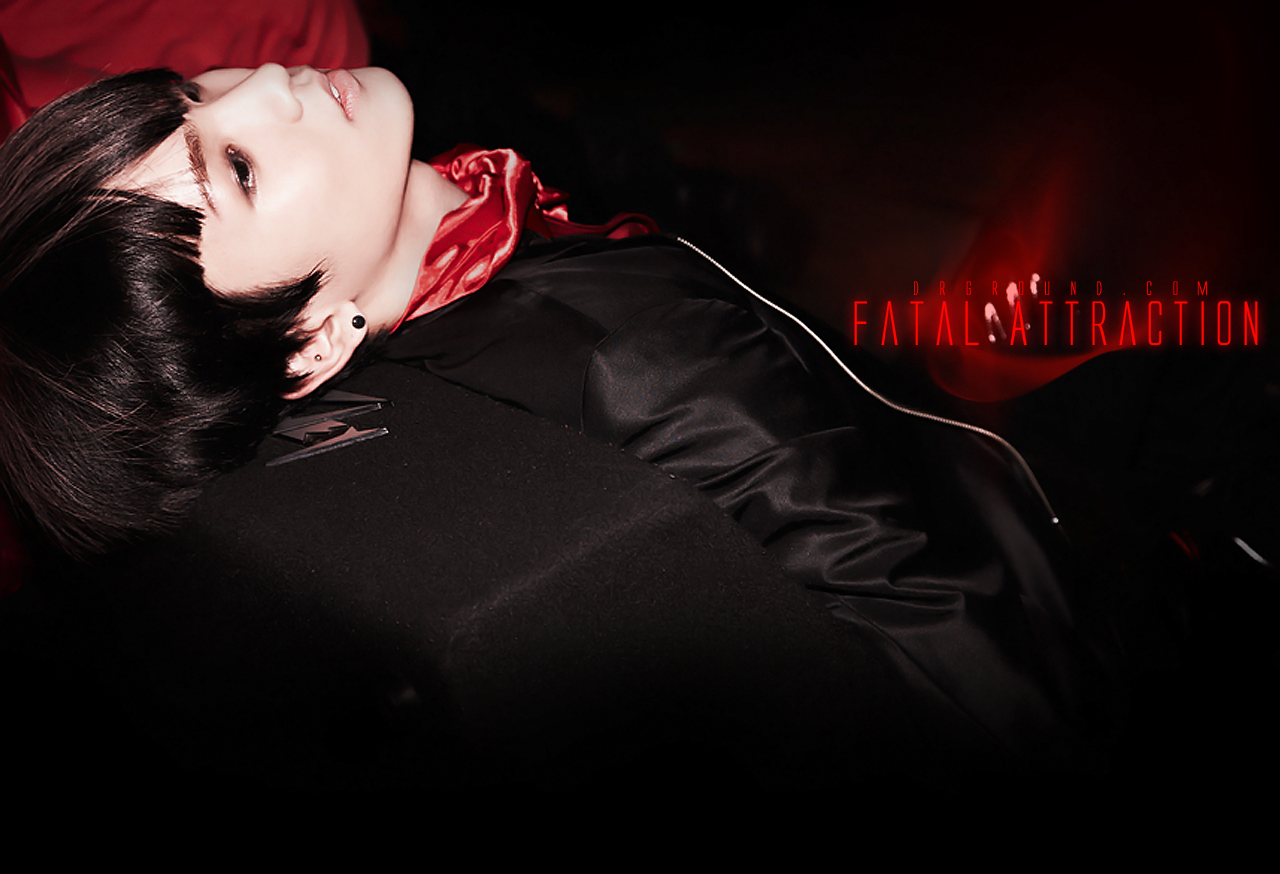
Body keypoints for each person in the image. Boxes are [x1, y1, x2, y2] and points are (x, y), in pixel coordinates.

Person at [0, 63, 1106, 767]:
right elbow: (969, 686)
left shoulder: (465, 277)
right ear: (310, 344)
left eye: (192, 94)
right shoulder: (631, 358)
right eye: (238, 171)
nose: (261, 87)